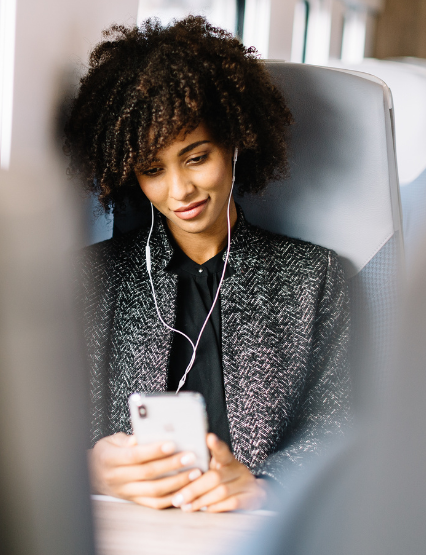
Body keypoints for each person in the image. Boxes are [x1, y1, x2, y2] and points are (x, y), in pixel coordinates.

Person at [65, 17, 351, 511]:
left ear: (235, 143)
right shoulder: (89, 279)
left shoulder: (315, 278)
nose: (180, 192)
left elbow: (342, 424)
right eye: (153, 170)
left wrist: (265, 489)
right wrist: (87, 468)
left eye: (196, 158)